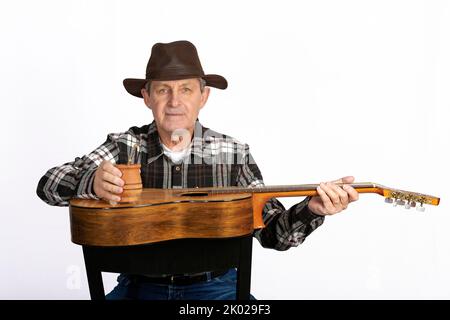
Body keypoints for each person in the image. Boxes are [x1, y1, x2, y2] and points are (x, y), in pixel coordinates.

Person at [36, 40, 359, 300]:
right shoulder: (124, 146)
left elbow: (275, 235)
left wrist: (313, 209)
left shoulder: (233, 153)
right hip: (138, 288)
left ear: (203, 96)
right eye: (163, 90)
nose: (174, 101)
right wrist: (91, 180)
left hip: (216, 289)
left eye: (186, 89)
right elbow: (48, 185)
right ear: (147, 97)